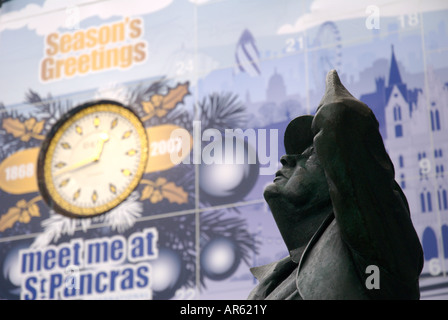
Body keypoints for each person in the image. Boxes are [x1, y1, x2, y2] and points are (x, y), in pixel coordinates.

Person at [247, 70, 423, 300]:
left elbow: (339, 116)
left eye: (310, 155)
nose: (286, 159)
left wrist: (332, 84)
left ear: (338, 175)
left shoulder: (372, 249)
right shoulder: (274, 280)